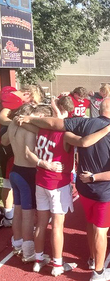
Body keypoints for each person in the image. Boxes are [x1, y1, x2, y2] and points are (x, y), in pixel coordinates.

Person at [16, 99, 110, 281]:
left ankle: (93, 258)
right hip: (106, 191)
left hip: (84, 186)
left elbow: (52, 123)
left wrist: (30, 118)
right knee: (101, 230)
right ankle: (98, 272)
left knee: (90, 223)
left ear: (97, 110)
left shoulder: (83, 122)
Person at [31, 104, 110, 276]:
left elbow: (32, 151)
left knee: (41, 223)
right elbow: (84, 142)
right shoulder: (65, 135)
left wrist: (31, 118)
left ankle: (37, 259)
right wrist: (107, 129)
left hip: (41, 181)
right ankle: (59, 264)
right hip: (57, 183)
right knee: (58, 226)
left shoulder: (40, 131)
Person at [1, 105, 61, 262]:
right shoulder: (30, 128)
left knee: (18, 210)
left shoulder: (14, 124)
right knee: (28, 213)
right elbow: (29, 154)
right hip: (27, 173)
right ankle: (28, 252)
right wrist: (44, 163)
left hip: (15, 170)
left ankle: (17, 244)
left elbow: (4, 141)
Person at [0, 85, 44, 227]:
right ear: (28, 94)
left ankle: (11, 221)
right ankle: (9, 216)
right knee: (22, 199)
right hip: (14, 150)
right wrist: (17, 123)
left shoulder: (11, 94)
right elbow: (2, 117)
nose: (32, 104)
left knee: (16, 195)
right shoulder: (14, 99)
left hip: (10, 142)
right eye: (31, 100)